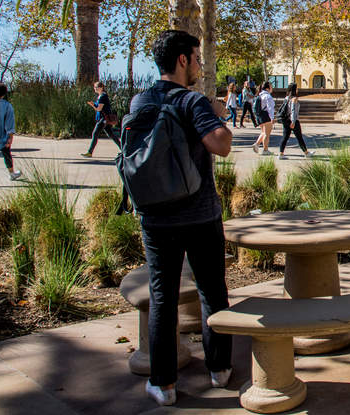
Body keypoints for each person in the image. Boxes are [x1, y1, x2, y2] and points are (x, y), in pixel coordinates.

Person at [130, 29, 234, 406]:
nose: (200, 64)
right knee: (212, 292)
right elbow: (220, 145)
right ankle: (219, 370)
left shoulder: (140, 101)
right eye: (197, 57)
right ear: (182, 60)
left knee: (163, 298)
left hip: (156, 218)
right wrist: (219, 116)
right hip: (200, 215)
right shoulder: (192, 102)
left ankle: (164, 385)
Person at [278, 82, 314, 160]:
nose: (298, 89)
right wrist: (293, 121)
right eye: (297, 88)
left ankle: (281, 153)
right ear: (294, 90)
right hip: (293, 121)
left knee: (285, 137)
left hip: (286, 120)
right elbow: (293, 110)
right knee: (299, 137)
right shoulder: (294, 99)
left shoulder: (286, 98)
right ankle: (306, 153)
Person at [81, 81, 116, 157]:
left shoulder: (103, 96)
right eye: (95, 87)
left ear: (101, 88)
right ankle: (124, 150)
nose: (95, 89)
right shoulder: (100, 96)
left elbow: (99, 109)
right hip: (103, 118)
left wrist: (92, 105)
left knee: (95, 133)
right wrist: (94, 104)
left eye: (97, 87)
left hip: (103, 119)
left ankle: (90, 152)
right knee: (111, 135)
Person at [251, 82, 275, 155]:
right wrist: (272, 117)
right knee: (267, 134)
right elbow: (270, 108)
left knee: (263, 132)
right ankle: (265, 150)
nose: (272, 88)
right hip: (266, 115)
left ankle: (257, 144)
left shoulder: (260, 95)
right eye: (271, 86)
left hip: (259, 115)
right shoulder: (268, 96)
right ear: (267, 88)